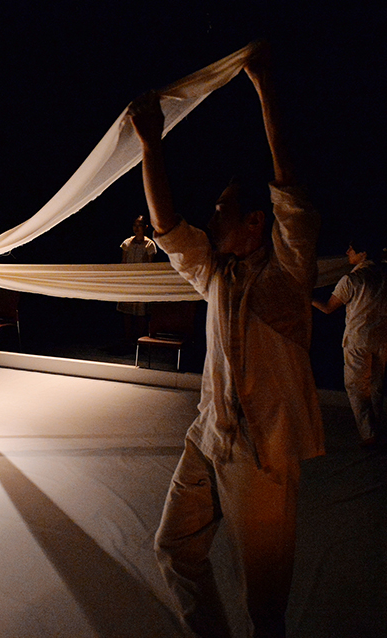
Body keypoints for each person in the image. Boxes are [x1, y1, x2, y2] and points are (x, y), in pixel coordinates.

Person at [128, 42, 323, 638]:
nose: (212, 220)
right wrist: (151, 144)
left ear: (255, 223)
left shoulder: (286, 276)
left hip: (263, 455)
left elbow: (289, 188)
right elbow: (167, 227)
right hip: (209, 434)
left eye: (222, 211)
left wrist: (264, 87)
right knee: (174, 549)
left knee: (266, 607)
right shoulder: (217, 274)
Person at [313, 239, 387, 446]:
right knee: (376, 383)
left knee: (355, 386)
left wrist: (306, 297)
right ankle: (374, 427)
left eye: (351, 249)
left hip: (359, 338)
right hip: (384, 337)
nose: (347, 252)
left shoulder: (353, 279)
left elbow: (327, 307)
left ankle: (369, 433)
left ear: (363, 253)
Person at [119, 215, 158, 343]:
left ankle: (139, 340)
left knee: (140, 312)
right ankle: (128, 339)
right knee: (127, 311)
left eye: (139, 225)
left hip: (141, 282)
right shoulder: (127, 243)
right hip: (128, 281)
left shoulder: (149, 244)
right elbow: (123, 262)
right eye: (135, 225)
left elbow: (150, 265)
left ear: (145, 227)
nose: (136, 228)